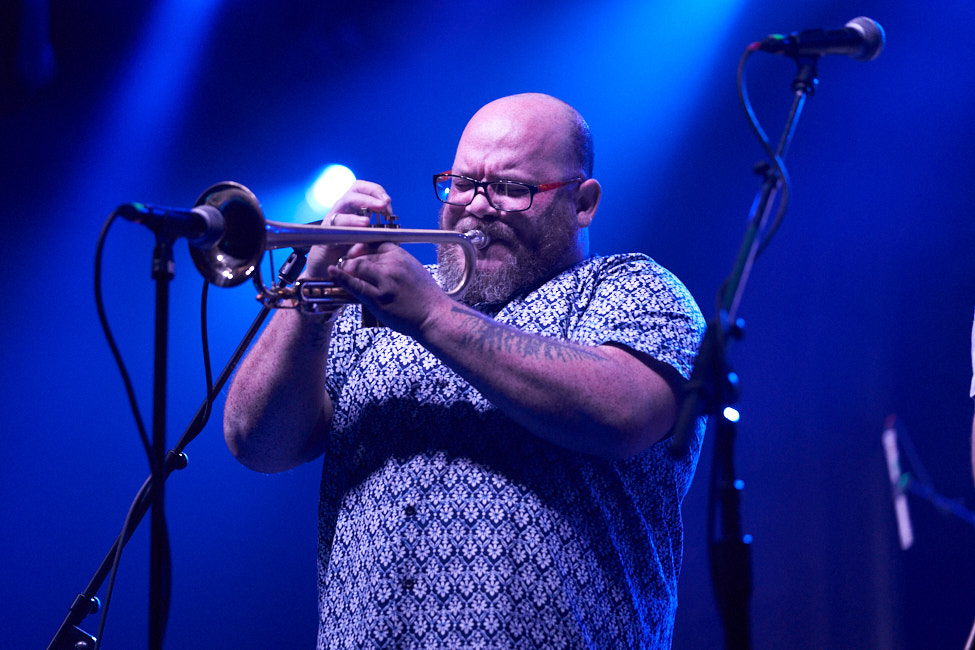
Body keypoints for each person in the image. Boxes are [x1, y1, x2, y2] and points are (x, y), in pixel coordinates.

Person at [224, 93, 707, 648]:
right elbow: (255, 442)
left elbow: (623, 412)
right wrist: (314, 293)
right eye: (462, 183)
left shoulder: (634, 288)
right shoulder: (381, 298)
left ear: (583, 202)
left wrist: (433, 315)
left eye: (511, 189)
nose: (477, 206)